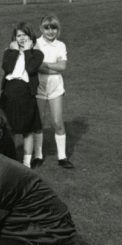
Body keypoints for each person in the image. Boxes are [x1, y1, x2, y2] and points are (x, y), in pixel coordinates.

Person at [0, 23, 44, 167]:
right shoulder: (9, 52)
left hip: (25, 92)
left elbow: (31, 68)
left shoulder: (37, 54)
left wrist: (27, 51)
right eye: (18, 35)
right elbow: (7, 67)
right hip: (10, 91)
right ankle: (10, 158)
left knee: (28, 130)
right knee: (9, 127)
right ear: (14, 38)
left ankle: (26, 162)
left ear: (31, 37)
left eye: (25, 35)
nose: (22, 38)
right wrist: (13, 51)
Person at [33, 14, 73, 169]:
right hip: (39, 85)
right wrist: (53, 66)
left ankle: (62, 157)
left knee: (57, 121)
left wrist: (45, 65)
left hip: (56, 86)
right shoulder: (36, 44)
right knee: (39, 121)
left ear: (58, 29)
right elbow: (36, 66)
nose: (50, 31)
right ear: (41, 28)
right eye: (47, 28)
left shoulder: (60, 45)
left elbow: (63, 67)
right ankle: (37, 155)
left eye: (53, 28)